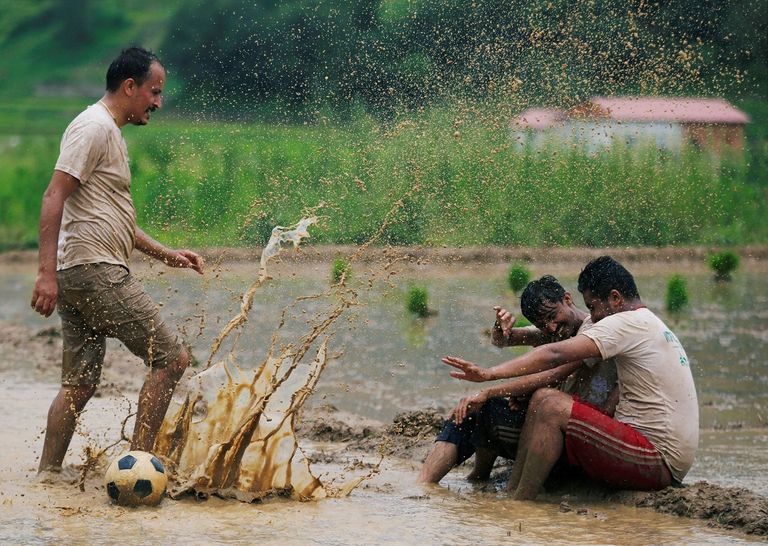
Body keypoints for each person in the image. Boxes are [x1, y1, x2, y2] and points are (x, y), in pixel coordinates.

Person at [30, 47, 204, 477]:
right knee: (171, 359)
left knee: (80, 383)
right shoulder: (93, 128)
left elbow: (116, 218)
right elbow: (54, 196)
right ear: (130, 87)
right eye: (154, 92)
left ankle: (48, 476)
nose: (158, 103)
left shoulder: (107, 132)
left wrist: (169, 255)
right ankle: (137, 469)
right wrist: (44, 275)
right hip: (94, 271)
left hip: (81, 272)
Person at [443, 256, 698, 500]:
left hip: (657, 460)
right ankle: (514, 493)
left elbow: (554, 356)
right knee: (544, 398)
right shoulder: (645, 323)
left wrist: (488, 376)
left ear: (616, 298)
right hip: (647, 450)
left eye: (593, 307)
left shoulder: (624, 323)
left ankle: (520, 503)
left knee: (552, 405)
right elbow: (520, 341)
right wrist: (501, 337)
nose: (593, 317)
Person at [417, 275, 617, 484]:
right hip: (549, 421)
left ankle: (474, 477)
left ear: (567, 299)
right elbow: (504, 340)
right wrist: (500, 330)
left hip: (576, 435)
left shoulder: (592, 332)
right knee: (470, 411)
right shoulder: (551, 330)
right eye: (542, 324)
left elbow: (553, 372)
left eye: (552, 316)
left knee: (486, 407)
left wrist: (489, 388)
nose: (550, 327)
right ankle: (427, 485)